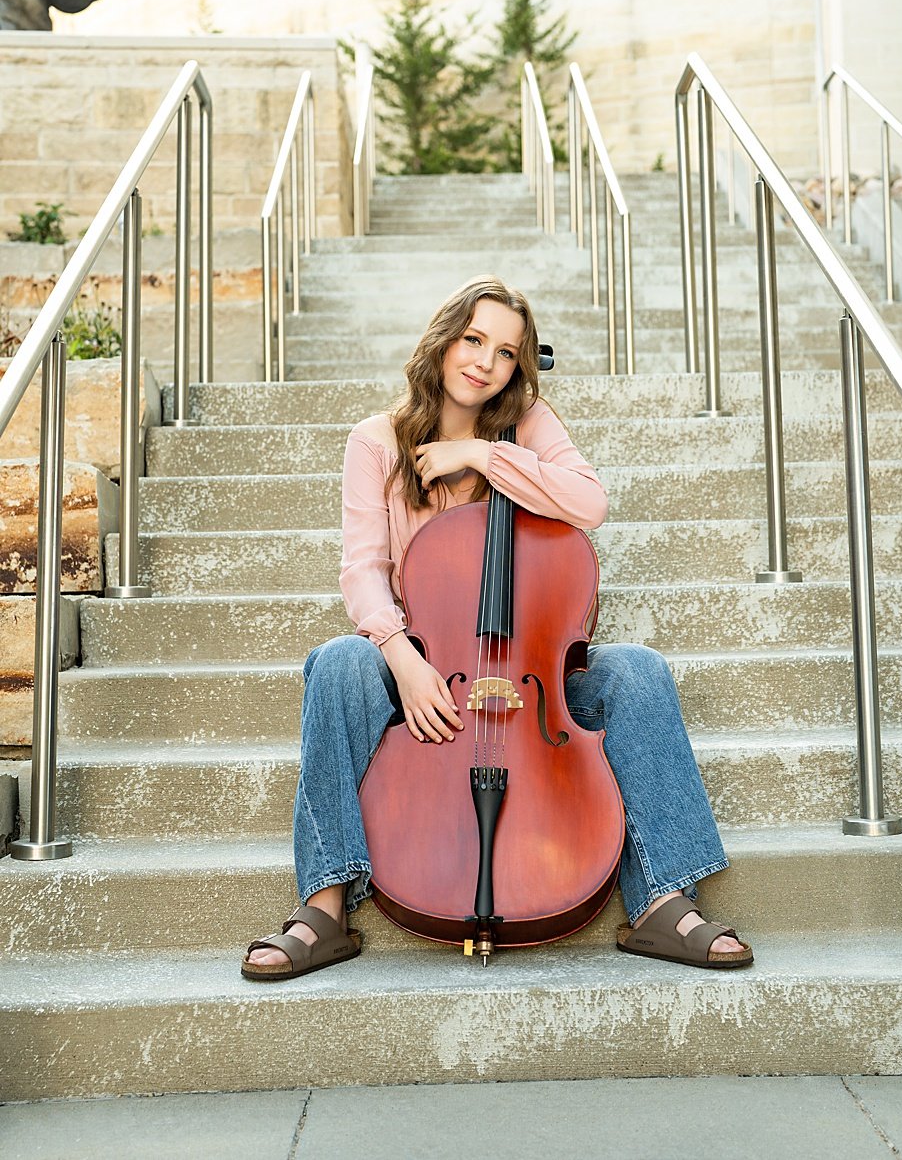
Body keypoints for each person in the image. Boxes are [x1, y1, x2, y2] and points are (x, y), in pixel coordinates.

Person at [242, 276, 752, 978]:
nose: (485, 361)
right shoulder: (376, 442)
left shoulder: (530, 427)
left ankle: (662, 897)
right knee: (336, 663)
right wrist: (404, 658)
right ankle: (326, 903)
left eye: (507, 352)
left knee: (638, 669)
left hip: (533, 671)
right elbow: (362, 570)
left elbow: (589, 502)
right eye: (473, 339)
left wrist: (482, 455)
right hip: (426, 667)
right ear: (444, 337)